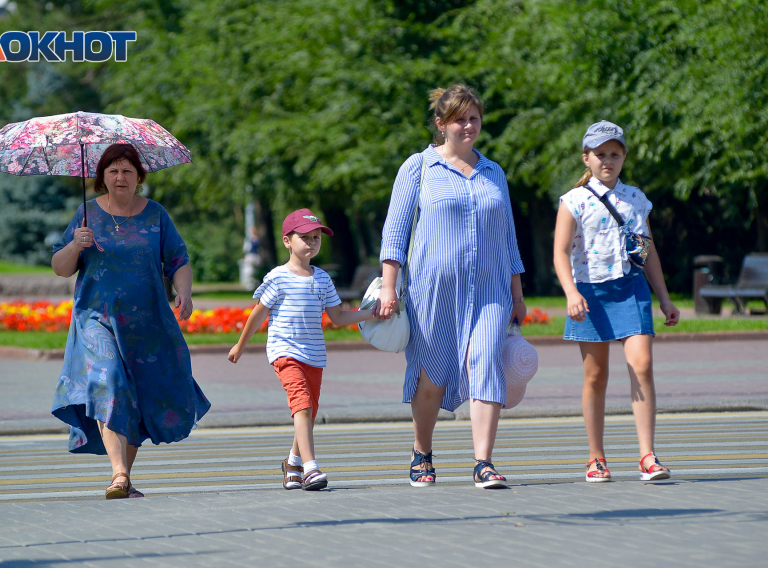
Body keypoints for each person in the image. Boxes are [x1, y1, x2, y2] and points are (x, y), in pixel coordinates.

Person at [377, 85, 526, 489]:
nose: (468, 125)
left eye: (474, 118)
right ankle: (421, 451)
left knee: (486, 364)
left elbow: (508, 239)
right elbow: (395, 233)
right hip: (433, 291)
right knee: (433, 376)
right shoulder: (419, 167)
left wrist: (516, 294)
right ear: (441, 125)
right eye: (460, 119)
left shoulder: (494, 172)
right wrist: (389, 288)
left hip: (490, 290)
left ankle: (483, 462)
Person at [51, 143, 211, 499]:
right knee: (108, 382)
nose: (120, 177)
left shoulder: (155, 214)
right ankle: (119, 473)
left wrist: (184, 292)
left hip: (147, 324)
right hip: (96, 319)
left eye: (127, 170)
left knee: (136, 395)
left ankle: (124, 477)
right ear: (102, 178)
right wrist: (76, 245)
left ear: (139, 176)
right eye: (113, 170)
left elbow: (179, 260)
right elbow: (61, 268)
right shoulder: (86, 214)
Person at [553, 121, 680, 483]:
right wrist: (571, 293)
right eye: (600, 154)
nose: (607, 160)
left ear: (623, 156)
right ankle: (596, 457)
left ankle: (647, 455)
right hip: (590, 293)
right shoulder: (573, 200)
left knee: (642, 365)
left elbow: (648, 251)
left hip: (630, 287)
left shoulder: (637, 198)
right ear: (587, 158)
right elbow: (560, 253)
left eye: (615, 153)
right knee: (595, 375)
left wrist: (665, 299)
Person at [228, 209, 375, 491]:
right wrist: (240, 345)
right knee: (302, 405)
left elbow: (339, 317)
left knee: (308, 410)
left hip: (315, 355)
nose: (311, 243)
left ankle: (292, 462)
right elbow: (258, 314)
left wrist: (371, 314)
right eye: (304, 237)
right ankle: (311, 468)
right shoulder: (278, 277)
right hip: (285, 352)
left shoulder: (322, 279)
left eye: (316, 238)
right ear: (287, 241)